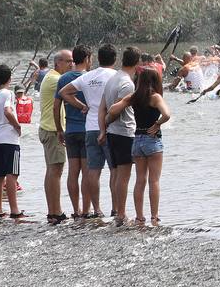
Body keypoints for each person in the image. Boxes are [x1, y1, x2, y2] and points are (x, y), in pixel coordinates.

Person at [63, 44, 121, 222]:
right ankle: (116, 208)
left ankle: (96, 209)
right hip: (111, 126)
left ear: (96, 59)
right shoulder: (117, 76)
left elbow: (64, 92)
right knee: (115, 170)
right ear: (114, 59)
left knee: (93, 171)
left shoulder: (88, 76)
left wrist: (82, 106)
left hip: (90, 127)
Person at [106, 67, 169, 226]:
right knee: (154, 181)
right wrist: (157, 123)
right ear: (156, 81)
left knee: (140, 180)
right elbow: (167, 114)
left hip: (137, 140)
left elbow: (113, 109)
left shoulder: (134, 97)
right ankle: (154, 217)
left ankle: (140, 217)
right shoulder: (155, 97)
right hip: (152, 140)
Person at [102, 49, 141, 223]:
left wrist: (105, 126)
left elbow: (103, 105)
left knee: (117, 174)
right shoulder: (127, 83)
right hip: (124, 131)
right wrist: (108, 120)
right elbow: (116, 110)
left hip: (113, 132)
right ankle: (121, 213)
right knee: (123, 176)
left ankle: (118, 210)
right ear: (137, 63)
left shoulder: (112, 79)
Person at [39, 50, 74, 223]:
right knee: (56, 170)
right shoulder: (56, 79)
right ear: (58, 62)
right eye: (69, 61)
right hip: (52, 130)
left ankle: (52, 211)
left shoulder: (52, 77)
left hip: (48, 128)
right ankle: (56, 212)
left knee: (53, 170)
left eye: (73, 61)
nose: (71, 65)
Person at [57, 47, 91, 217]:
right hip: (86, 130)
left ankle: (75, 209)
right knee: (86, 172)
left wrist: (59, 129)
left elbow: (57, 106)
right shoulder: (89, 77)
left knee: (72, 171)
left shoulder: (63, 79)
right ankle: (86, 209)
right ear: (86, 59)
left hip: (70, 129)